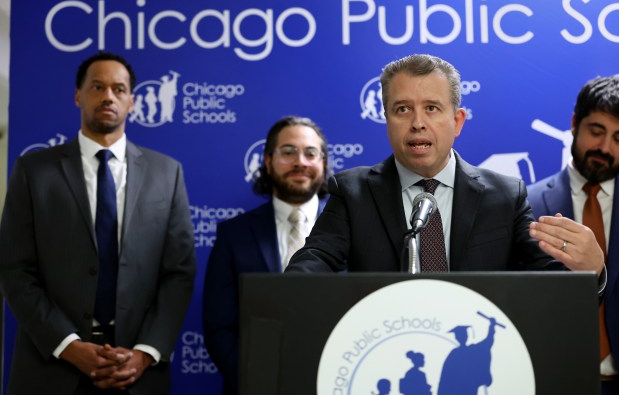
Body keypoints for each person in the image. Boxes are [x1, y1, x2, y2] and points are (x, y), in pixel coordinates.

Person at [285, 53, 603, 285]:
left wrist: (592, 271)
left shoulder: (506, 196)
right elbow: (314, 262)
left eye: (432, 108)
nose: (417, 123)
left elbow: (549, 285)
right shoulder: (353, 192)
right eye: (402, 109)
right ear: (387, 120)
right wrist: (285, 290)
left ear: (457, 121)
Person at [0, 51, 196, 395]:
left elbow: (178, 273)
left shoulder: (167, 173)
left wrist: (145, 352)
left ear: (132, 101)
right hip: (51, 369)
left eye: (119, 89)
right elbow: (15, 270)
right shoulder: (33, 172)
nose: (108, 96)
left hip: (136, 372)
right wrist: (69, 346)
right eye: (97, 86)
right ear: (78, 96)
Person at [202, 116, 330, 394]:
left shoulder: (349, 228)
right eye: (288, 152)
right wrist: (255, 380)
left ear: (323, 163)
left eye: (310, 153)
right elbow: (219, 326)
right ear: (268, 161)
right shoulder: (233, 235)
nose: (300, 161)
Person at [527, 75, 619, 394]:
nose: (605, 148)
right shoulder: (526, 204)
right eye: (596, 131)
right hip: (555, 382)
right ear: (574, 124)